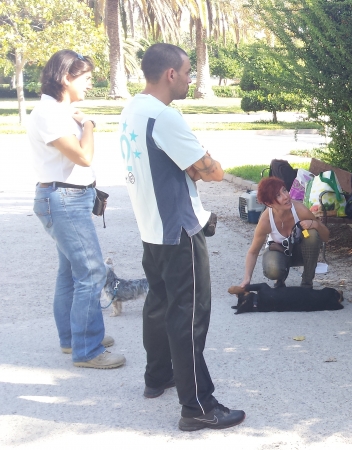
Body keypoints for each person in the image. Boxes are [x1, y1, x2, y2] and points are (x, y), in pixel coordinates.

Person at [118, 43, 244, 431]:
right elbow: (211, 171)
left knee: (159, 304)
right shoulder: (164, 116)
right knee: (189, 317)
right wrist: (206, 167)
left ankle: (157, 377)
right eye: (188, 72)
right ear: (170, 74)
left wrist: (191, 168)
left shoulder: (132, 109)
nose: (191, 78)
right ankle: (197, 406)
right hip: (179, 230)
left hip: (151, 228)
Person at [28, 50, 125, 369]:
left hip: (69, 197)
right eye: (85, 78)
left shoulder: (58, 110)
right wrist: (90, 126)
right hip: (64, 200)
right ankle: (88, 349)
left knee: (70, 272)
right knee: (91, 271)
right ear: (66, 77)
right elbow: (83, 157)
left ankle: (73, 339)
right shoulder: (50, 114)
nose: (89, 83)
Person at [240, 176, 330, 289]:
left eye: (284, 190)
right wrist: (247, 279)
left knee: (312, 234)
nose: (286, 196)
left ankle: (307, 282)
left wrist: (315, 224)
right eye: (278, 195)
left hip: (301, 253)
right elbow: (253, 252)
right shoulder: (266, 220)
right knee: (273, 269)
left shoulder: (300, 210)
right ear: (269, 203)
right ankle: (280, 278)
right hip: (279, 252)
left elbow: (326, 237)